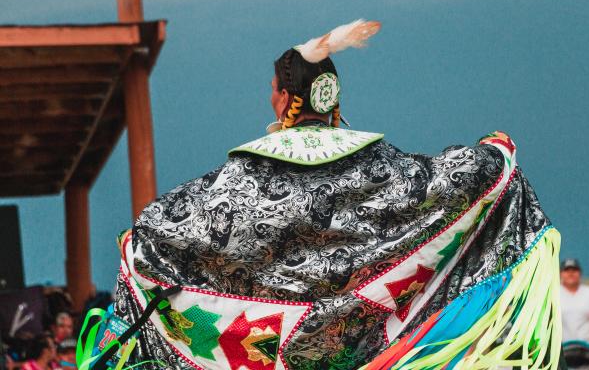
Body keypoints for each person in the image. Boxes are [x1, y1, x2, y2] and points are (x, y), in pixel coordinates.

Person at [78, 20, 562, 369]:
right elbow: (467, 175)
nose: (271, 96)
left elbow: (163, 230)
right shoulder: (383, 168)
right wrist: (495, 150)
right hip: (378, 354)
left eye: (273, 88)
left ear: (287, 99)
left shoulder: (242, 178)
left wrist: (137, 247)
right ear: (332, 96)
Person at [560, 258, 589, 346]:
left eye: (574, 270)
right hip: (561, 351)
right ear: (560, 274)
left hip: (588, 350)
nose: (570, 274)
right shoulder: (553, 294)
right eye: (566, 270)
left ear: (580, 273)